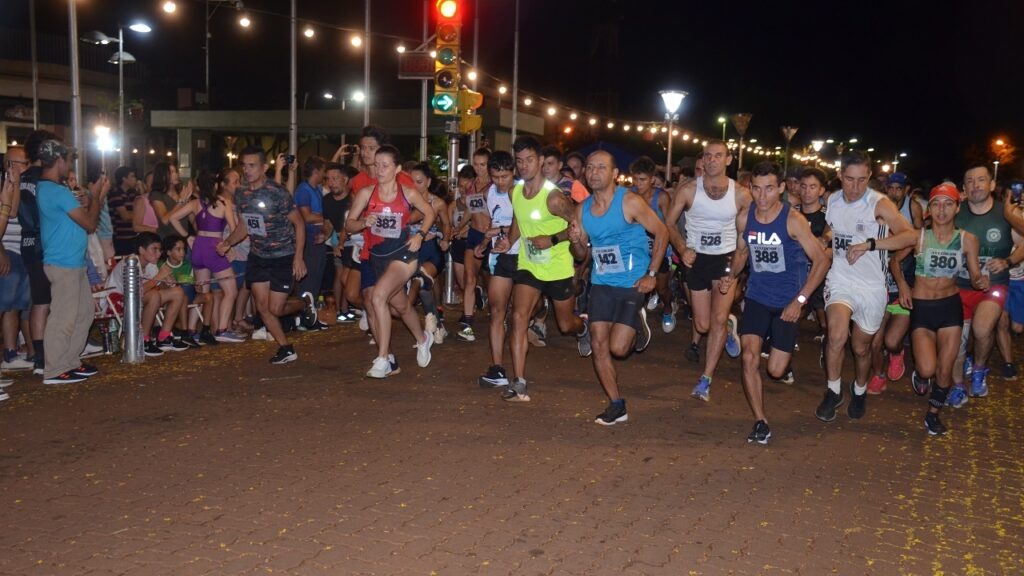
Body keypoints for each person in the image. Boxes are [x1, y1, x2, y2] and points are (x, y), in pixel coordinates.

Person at [720, 162, 829, 444]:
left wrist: (800, 301)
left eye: (769, 188)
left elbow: (821, 261)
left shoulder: (793, 220)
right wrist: (731, 276)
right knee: (749, 357)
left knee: (776, 371)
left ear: (781, 188)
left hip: (787, 303)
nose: (762, 196)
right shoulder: (744, 218)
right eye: (756, 188)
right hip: (757, 296)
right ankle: (760, 421)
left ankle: (775, 344)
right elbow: (742, 253)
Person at [816, 150, 916, 422]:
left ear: (869, 176)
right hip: (841, 279)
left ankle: (859, 390)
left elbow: (910, 236)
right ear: (840, 175)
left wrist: (870, 244)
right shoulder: (833, 200)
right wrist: (826, 238)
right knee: (836, 335)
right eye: (849, 179)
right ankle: (833, 391)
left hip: (872, 286)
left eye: (862, 180)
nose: (855, 187)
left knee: (861, 349)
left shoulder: (879, 204)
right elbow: (833, 227)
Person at [569, 150, 668, 424]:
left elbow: (662, 231)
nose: (594, 172)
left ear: (614, 174)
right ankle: (616, 404)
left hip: (631, 282)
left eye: (601, 167)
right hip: (601, 281)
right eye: (590, 167)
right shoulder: (582, 209)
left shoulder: (629, 201)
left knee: (619, 349)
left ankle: (638, 324)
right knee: (599, 343)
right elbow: (580, 254)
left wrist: (652, 274)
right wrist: (576, 240)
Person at [493, 136, 586, 402]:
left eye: (529, 160)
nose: (524, 165)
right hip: (529, 265)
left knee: (566, 324)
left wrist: (552, 239)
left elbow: (577, 227)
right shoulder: (515, 192)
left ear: (541, 161)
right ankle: (519, 382)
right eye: (519, 161)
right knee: (518, 317)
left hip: (557, 268)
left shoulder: (554, 198)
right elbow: (518, 220)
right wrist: (508, 241)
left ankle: (583, 328)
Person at [665, 140, 752, 402]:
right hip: (697, 259)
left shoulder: (741, 195)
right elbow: (669, 223)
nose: (712, 160)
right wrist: (682, 248)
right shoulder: (688, 190)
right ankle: (729, 325)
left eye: (718, 155)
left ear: (728, 159)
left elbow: (745, 238)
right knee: (702, 324)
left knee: (717, 319)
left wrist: (735, 270)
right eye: (708, 156)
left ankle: (706, 379)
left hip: (725, 258)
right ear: (702, 160)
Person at [217, 146, 315, 365]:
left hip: (283, 256)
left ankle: (304, 304)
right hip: (258, 256)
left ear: (263, 167)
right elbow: (244, 225)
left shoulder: (278, 192)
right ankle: (286, 348)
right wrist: (227, 243)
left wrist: (298, 257)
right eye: (244, 165)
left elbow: (299, 224)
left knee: (275, 309)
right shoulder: (241, 193)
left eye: (252, 165)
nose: (247, 170)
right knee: (262, 308)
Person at [344, 145, 435, 378]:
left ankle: (383, 359)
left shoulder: (408, 193)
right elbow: (349, 225)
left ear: (397, 169)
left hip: (403, 255)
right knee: (401, 306)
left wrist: (420, 235)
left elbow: (430, 213)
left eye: (385, 165)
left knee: (377, 297)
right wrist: (364, 222)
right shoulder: (366, 193)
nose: (379, 169)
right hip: (378, 257)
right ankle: (423, 338)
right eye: (377, 165)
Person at [903, 183, 986, 435]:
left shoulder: (968, 239)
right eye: (936, 204)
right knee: (927, 368)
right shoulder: (919, 236)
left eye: (948, 204)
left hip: (950, 307)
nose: (942, 210)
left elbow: (975, 275)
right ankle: (920, 375)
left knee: (945, 368)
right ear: (929, 209)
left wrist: (980, 281)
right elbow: (895, 260)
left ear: (957, 208)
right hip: (922, 307)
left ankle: (933, 414)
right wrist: (904, 287)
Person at [948, 165, 1024, 405]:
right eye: (970, 181)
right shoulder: (955, 212)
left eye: (981, 180)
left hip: (994, 286)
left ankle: (979, 370)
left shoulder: (1005, 213)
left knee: (982, 330)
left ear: (992, 185)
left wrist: (1008, 261)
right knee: (958, 342)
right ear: (964, 187)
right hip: (958, 286)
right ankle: (957, 386)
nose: (975, 185)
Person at [35, 139, 106, 384]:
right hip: (63, 263)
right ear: (59, 160)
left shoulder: (53, 189)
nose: (69, 165)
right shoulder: (56, 191)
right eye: (67, 159)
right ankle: (54, 369)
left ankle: (69, 362)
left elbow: (79, 217)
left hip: (73, 262)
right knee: (63, 318)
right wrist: (96, 196)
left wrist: (87, 201)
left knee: (84, 314)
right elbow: (90, 224)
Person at [167, 171, 243, 343]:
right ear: (216, 185)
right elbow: (234, 229)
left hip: (198, 247)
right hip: (215, 248)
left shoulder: (195, 203)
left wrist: (187, 236)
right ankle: (222, 329)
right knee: (231, 290)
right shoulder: (223, 203)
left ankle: (192, 329)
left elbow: (173, 218)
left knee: (203, 292)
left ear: (198, 187)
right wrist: (228, 246)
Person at [867, 172, 924, 394]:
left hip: (902, 287)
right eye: (890, 188)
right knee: (874, 342)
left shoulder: (911, 211)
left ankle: (897, 352)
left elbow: (916, 237)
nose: (894, 192)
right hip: (879, 288)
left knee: (891, 342)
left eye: (898, 188)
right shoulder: (874, 217)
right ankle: (878, 375)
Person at [476, 151, 520, 388]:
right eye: (496, 177)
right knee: (496, 310)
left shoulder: (522, 192)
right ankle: (498, 369)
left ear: (513, 172)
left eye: (505, 176)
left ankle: (520, 374)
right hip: (501, 258)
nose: (501, 181)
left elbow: (525, 223)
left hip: (525, 257)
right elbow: (492, 222)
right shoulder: (489, 193)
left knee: (520, 314)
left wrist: (502, 232)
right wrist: (484, 243)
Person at [629, 156, 675, 335]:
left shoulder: (661, 197)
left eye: (642, 179)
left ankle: (668, 308)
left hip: (659, 250)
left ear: (652, 179)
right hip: (637, 250)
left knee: (662, 288)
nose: (638, 183)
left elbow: (669, 225)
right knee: (633, 286)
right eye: (635, 179)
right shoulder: (629, 195)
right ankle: (634, 317)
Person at [407, 162, 451, 344]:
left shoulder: (437, 202)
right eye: (411, 182)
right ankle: (436, 323)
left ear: (428, 182)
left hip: (431, 249)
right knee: (424, 288)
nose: (415, 186)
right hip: (412, 251)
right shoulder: (405, 201)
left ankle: (427, 318)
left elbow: (447, 224)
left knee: (420, 278)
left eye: (419, 182)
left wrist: (445, 239)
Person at [452, 164, 490, 342]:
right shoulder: (472, 188)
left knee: (493, 283)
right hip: (474, 236)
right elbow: (470, 209)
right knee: (469, 279)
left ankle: (499, 316)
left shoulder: (496, 187)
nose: (480, 168)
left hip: (492, 237)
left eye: (483, 164)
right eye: (477, 164)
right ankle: (467, 325)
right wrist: (460, 227)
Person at [293, 156, 329, 325]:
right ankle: (304, 316)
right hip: (307, 239)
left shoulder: (316, 189)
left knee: (315, 278)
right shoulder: (303, 190)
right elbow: (306, 217)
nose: (325, 174)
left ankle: (311, 316)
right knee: (308, 280)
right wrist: (326, 218)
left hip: (317, 237)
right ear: (316, 171)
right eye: (323, 171)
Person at [322, 163, 358, 322]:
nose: (331, 182)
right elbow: (328, 223)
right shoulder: (326, 200)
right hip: (337, 241)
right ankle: (339, 310)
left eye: (335, 178)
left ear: (345, 179)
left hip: (354, 242)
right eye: (328, 179)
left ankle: (346, 307)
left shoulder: (354, 198)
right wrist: (324, 236)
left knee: (346, 277)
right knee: (340, 275)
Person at [108, 166, 138, 256]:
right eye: (132, 176)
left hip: (133, 235)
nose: (135, 179)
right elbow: (125, 216)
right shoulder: (116, 193)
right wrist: (139, 215)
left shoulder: (132, 193)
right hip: (121, 237)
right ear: (124, 179)